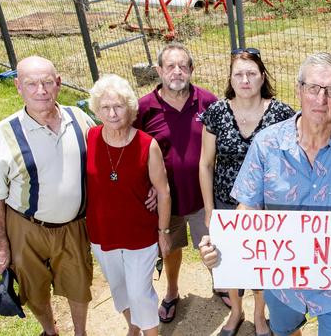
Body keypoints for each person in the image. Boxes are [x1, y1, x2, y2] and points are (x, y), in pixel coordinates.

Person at [200, 52, 331, 336]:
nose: (321, 98)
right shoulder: (267, 145)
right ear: (299, 89)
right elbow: (248, 207)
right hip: (282, 283)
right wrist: (225, 243)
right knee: (284, 330)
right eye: (313, 88)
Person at [0, 56, 95, 336]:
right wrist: (0, 246)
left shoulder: (79, 118)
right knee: (33, 287)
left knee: (79, 285)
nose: (41, 90)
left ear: (58, 84)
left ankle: (80, 333)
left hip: (74, 225)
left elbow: (106, 161)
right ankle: (50, 330)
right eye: (32, 84)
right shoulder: (4, 133)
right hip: (26, 227)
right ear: (18, 86)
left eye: (47, 82)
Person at [199, 48, 294, 336]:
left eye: (251, 73)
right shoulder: (216, 112)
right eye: (238, 74)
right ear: (230, 78)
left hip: (267, 206)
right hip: (226, 203)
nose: (245, 80)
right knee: (230, 262)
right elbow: (205, 164)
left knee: (262, 261)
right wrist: (209, 210)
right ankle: (237, 311)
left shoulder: (281, 113)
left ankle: (259, 314)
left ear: (262, 77)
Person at [134, 42, 218, 323]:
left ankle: (222, 285)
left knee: (213, 245)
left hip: (203, 195)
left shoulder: (208, 101)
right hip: (166, 198)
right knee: (170, 247)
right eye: (170, 66)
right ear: (159, 70)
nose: (177, 71)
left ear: (191, 69)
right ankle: (171, 291)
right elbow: (135, 151)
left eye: (183, 66)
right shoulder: (144, 108)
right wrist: (145, 187)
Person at [86, 74, 172, 336]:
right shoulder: (90, 137)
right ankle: (132, 326)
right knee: (119, 288)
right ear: (97, 109)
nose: (112, 113)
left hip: (140, 234)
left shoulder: (148, 145)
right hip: (102, 233)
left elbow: (164, 192)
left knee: (139, 292)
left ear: (130, 108)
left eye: (118, 106)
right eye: (105, 107)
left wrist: (164, 232)